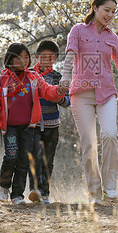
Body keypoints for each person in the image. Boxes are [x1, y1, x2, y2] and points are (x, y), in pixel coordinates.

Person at [60, 0, 118, 205]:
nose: (110, 15)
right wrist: (65, 76)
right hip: (81, 93)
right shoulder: (78, 30)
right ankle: (94, 192)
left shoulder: (112, 37)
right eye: (107, 10)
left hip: (106, 92)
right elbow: (70, 54)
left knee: (109, 135)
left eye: (113, 12)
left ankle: (111, 187)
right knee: (89, 142)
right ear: (95, 7)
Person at [0, 43, 68, 204]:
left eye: (26, 57)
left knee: (24, 160)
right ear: (10, 59)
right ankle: (3, 186)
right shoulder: (3, 78)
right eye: (19, 57)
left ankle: (17, 195)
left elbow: (47, 90)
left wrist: (59, 90)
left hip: (28, 128)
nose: (23, 60)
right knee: (11, 155)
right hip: (9, 127)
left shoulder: (33, 77)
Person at [28, 40, 71, 204]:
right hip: (32, 124)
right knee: (35, 158)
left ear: (55, 59)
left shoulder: (58, 77)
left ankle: (45, 193)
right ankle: (35, 191)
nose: (46, 60)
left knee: (48, 160)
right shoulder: (29, 74)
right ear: (37, 57)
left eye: (50, 57)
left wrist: (59, 97)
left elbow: (68, 102)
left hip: (52, 125)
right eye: (43, 57)